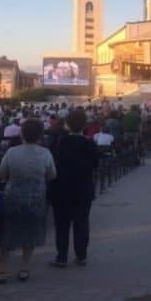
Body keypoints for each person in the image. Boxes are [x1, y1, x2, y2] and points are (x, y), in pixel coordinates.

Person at [0, 119, 56, 283]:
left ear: (22, 134)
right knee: (31, 231)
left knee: (8, 232)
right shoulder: (45, 153)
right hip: (35, 198)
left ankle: (2, 269)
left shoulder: (12, 152)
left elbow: (0, 175)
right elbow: (52, 175)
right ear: (40, 136)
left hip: (13, 196)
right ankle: (24, 268)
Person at [49, 109, 99, 267]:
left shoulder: (59, 142)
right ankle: (81, 255)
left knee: (62, 224)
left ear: (67, 124)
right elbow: (95, 165)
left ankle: (62, 257)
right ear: (84, 125)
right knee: (81, 222)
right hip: (83, 188)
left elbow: (52, 164)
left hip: (61, 188)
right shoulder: (89, 143)